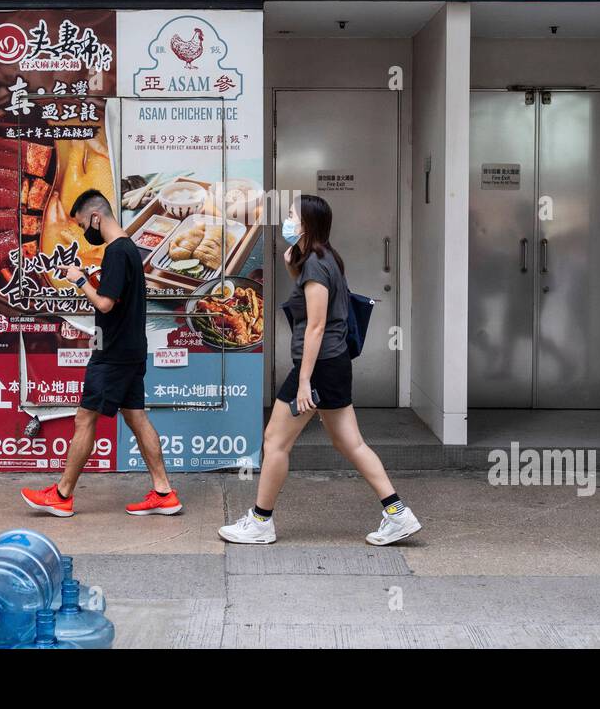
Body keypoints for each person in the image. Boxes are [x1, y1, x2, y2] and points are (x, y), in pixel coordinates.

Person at [219, 194, 421, 547]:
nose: (288, 220)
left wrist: (303, 381)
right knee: (350, 442)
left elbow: (315, 325)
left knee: (274, 441)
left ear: (308, 224)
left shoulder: (315, 264)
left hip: (320, 367)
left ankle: (260, 521)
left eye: (293, 216)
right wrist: (291, 265)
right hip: (336, 363)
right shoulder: (325, 258)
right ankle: (398, 513)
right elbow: (312, 301)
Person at [21, 189, 180, 518]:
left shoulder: (117, 252)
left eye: (82, 225)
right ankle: (164, 491)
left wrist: (81, 281)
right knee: (136, 417)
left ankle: (62, 495)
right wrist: (93, 280)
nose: (83, 231)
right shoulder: (129, 249)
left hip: (113, 351)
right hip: (131, 348)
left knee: (85, 418)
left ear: (96, 217)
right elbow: (116, 298)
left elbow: (105, 303)